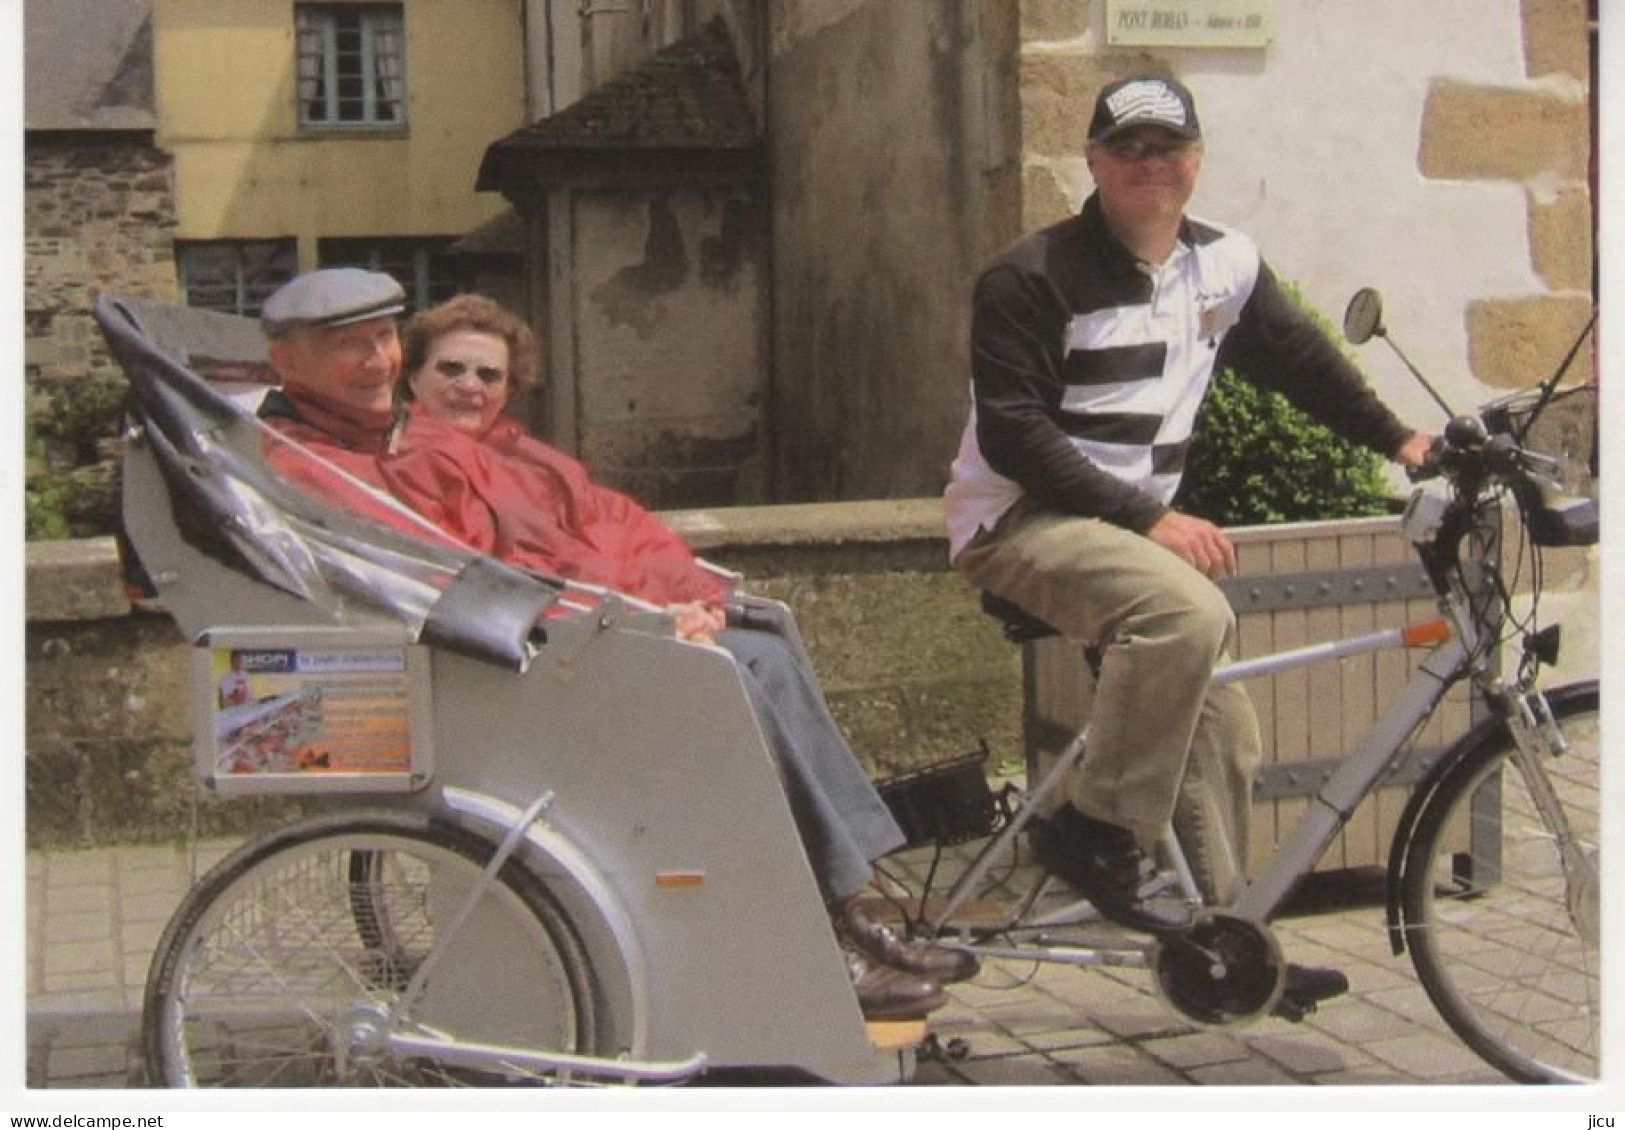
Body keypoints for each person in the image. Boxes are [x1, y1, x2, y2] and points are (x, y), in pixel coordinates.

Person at [254, 272, 975, 1020]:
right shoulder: (347, 461)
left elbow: (609, 529)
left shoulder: (425, 443)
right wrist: (650, 619)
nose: (376, 361)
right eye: (350, 347)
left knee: (762, 636)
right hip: (516, 666)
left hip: (565, 631)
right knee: (730, 677)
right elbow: (481, 578)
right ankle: (823, 926)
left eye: (381, 339)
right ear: (289, 362)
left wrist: (689, 595)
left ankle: (845, 902)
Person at [944, 75, 1433, 1014]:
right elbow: (1012, 433)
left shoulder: (1221, 267)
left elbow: (1302, 364)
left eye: (1168, 148)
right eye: (1128, 149)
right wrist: (1149, 518)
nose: (1150, 166)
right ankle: (1096, 830)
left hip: (1116, 532)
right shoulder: (1031, 275)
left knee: (1226, 735)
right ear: (1091, 160)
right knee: (1183, 612)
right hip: (1016, 524)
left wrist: (1402, 441)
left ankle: (1230, 943)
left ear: (1197, 162)